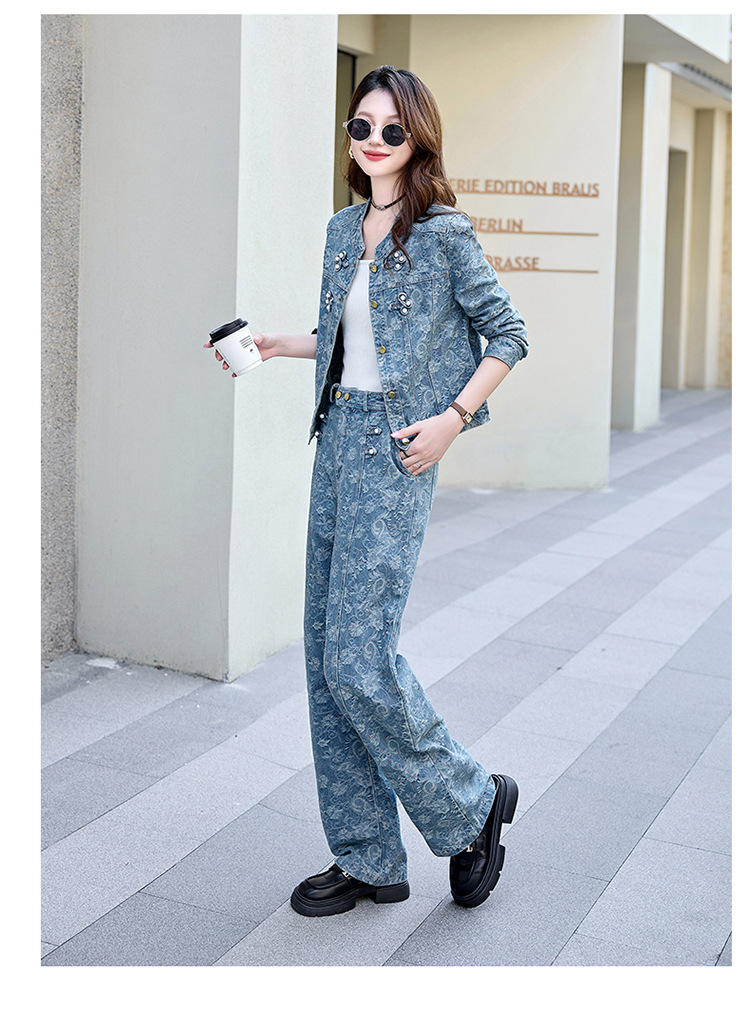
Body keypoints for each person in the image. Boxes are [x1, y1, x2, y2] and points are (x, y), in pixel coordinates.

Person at [206, 65, 528, 917]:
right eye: (362, 127)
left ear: (418, 139)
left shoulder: (445, 233)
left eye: (393, 129)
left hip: (397, 451)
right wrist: (279, 344)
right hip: (337, 439)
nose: (376, 141)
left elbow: (508, 334)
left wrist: (453, 419)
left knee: (360, 658)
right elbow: (357, 339)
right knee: (325, 659)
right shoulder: (341, 229)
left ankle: (471, 803)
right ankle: (367, 856)